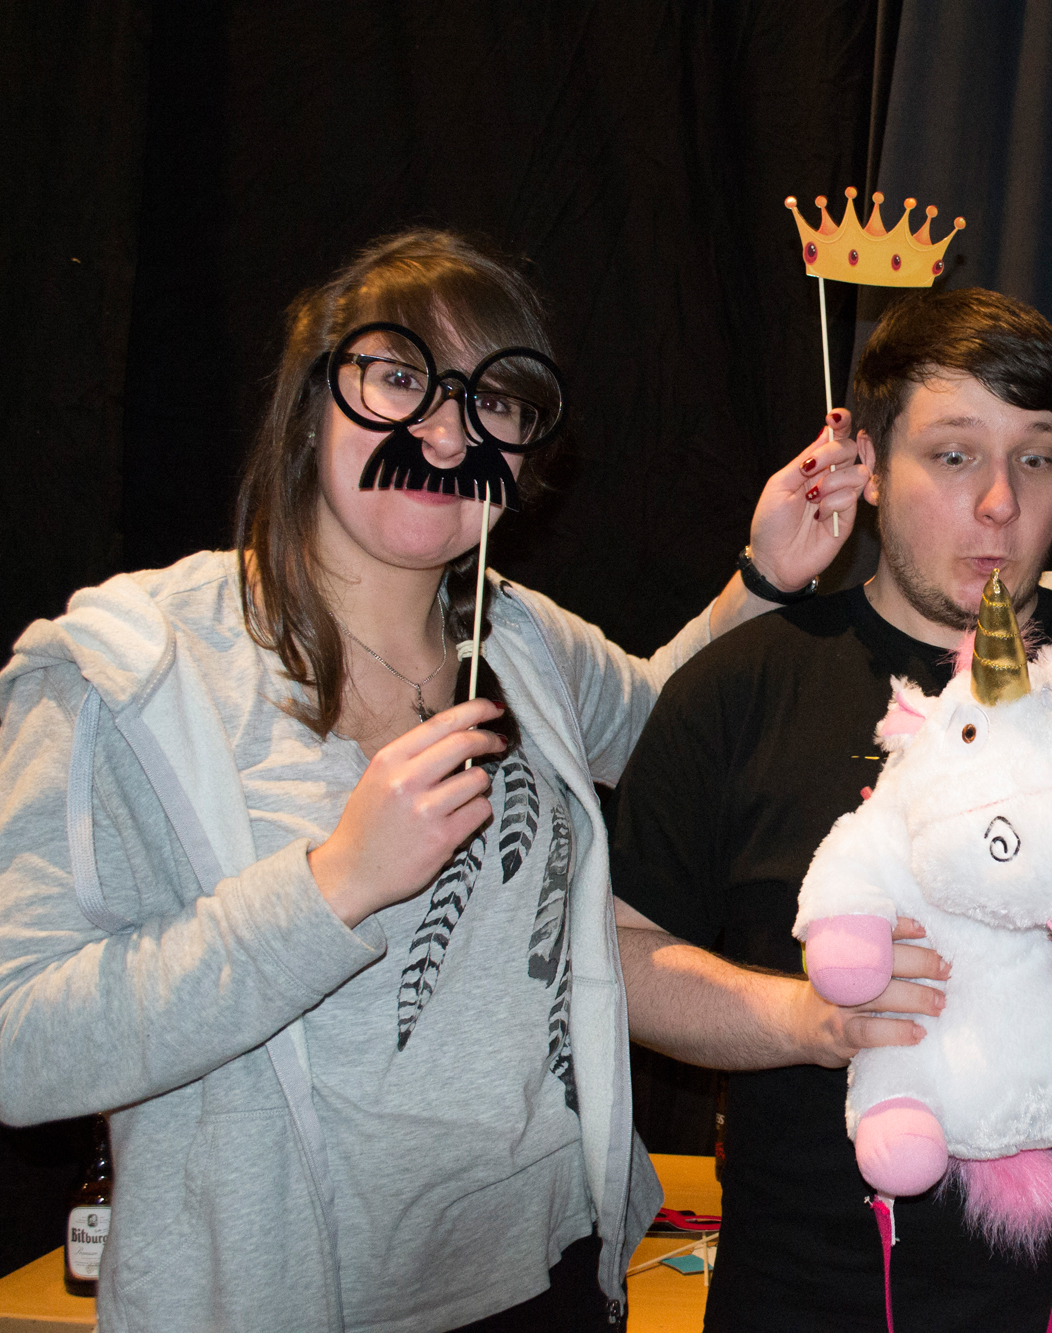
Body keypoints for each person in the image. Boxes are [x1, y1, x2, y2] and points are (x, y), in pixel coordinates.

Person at [0, 229, 875, 1332]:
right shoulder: (130, 672)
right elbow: (21, 1047)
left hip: (548, 1278)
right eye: (399, 378)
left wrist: (763, 578)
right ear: (312, 403)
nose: (447, 433)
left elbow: (669, 732)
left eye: (492, 401)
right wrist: (332, 884)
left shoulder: (519, 638)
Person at [609, 286, 1052, 1331]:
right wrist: (805, 1019)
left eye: (1036, 458)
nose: (998, 502)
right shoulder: (741, 687)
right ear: (869, 466)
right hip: (819, 1295)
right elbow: (622, 957)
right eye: (953, 455)